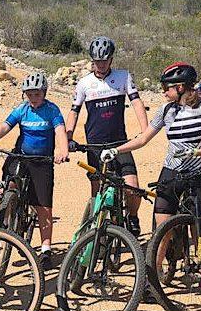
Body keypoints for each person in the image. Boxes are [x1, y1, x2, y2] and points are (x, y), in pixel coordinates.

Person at [101, 62, 201, 299]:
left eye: (166, 87)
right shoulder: (166, 111)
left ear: (180, 87)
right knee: (162, 231)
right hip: (170, 174)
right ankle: (152, 279)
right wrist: (116, 150)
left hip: (196, 176)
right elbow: (143, 139)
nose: (163, 92)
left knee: (198, 232)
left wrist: (195, 153)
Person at [0, 72, 68, 268]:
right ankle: (10, 210)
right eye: (29, 94)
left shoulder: (52, 110)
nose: (33, 98)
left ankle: (45, 249)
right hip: (22, 157)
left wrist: (63, 149)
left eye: (36, 94)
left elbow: (60, 131)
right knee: (9, 182)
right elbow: (5, 126)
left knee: (44, 207)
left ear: (44, 92)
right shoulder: (22, 109)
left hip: (42, 161)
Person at [64, 36, 150, 237]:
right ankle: (97, 233)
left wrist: (145, 130)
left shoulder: (123, 77)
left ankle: (132, 216)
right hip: (95, 145)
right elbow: (74, 111)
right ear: (92, 61)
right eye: (97, 61)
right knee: (97, 193)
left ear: (111, 60)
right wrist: (67, 138)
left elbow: (137, 102)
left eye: (104, 60)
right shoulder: (84, 83)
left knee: (132, 187)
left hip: (120, 142)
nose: (101, 65)